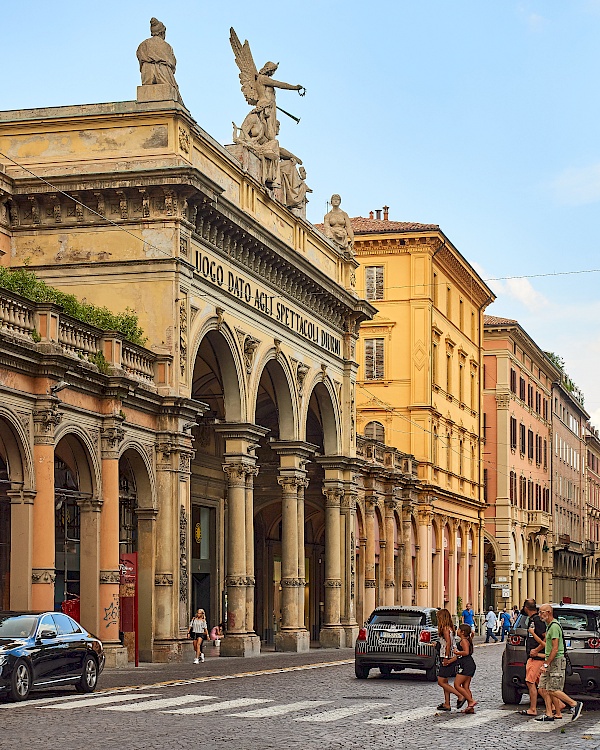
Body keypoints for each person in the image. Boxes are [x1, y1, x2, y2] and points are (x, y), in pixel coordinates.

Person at [535, 603, 583, 723]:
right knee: (542, 688)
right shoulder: (549, 626)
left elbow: (555, 648)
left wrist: (546, 664)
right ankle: (550, 713)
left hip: (556, 661)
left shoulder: (555, 627)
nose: (540, 615)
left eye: (542, 612)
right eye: (539, 612)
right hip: (550, 660)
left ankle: (574, 704)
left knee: (553, 689)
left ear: (549, 613)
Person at [517, 598, 546, 717]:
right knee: (541, 686)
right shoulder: (533, 619)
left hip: (536, 658)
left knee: (530, 682)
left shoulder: (537, 621)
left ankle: (533, 708)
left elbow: (546, 637)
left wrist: (537, 650)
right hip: (535, 657)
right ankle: (557, 704)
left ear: (525, 608)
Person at [436, 608, 464, 711]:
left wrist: (446, 658)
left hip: (447, 655)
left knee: (440, 681)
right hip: (450, 654)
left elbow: (448, 643)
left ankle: (460, 696)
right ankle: (447, 703)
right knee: (445, 681)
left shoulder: (445, 628)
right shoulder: (450, 628)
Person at [450, 623, 478, 713]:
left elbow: (466, 652)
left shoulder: (464, 641)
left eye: (458, 629)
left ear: (462, 632)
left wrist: (456, 652)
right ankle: (470, 708)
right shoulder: (466, 640)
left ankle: (471, 701)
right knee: (465, 686)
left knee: (457, 685)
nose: (457, 631)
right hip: (468, 664)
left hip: (466, 665)